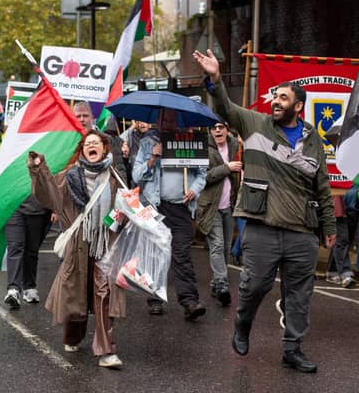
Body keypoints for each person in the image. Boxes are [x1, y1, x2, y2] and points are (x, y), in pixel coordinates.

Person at [194, 48, 336, 374]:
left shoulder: (313, 139)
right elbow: (225, 109)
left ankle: (293, 349)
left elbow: (322, 186)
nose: (275, 101)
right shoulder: (255, 123)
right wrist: (215, 78)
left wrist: (328, 225)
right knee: (255, 285)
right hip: (262, 226)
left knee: (299, 296)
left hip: (302, 231)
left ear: (298, 106)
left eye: (283, 98)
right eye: (274, 96)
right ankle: (243, 324)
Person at [28, 131, 126, 369]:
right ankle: (73, 336)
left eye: (96, 143)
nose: (92, 146)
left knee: (104, 294)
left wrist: (125, 208)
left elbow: (120, 212)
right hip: (78, 245)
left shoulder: (114, 177)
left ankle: (106, 351)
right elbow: (49, 196)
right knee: (77, 296)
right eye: (87, 144)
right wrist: (39, 169)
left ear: (104, 148)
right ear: (82, 150)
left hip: (106, 245)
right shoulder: (69, 176)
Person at [132, 109, 207, 319]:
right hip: (155, 207)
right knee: (155, 253)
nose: (168, 122)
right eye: (164, 118)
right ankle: (154, 298)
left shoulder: (189, 142)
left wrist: (195, 188)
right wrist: (153, 158)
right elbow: (136, 175)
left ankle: (190, 302)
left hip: (181, 208)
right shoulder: (147, 143)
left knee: (182, 255)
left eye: (172, 118)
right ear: (158, 120)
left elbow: (202, 173)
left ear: (177, 120)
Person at [196, 121, 242, 306]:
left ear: (227, 129)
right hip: (210, 206)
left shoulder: (233, 145)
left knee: (224, 249)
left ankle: (216, 283)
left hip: (228, 206)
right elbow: (203, 178)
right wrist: (227, 168)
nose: (217, 131)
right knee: (217, 244)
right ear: (209, 131)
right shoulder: (203, 148)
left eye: (221, 127)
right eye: (214, 128)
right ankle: (222, 284)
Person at [3, 195, 52, 309]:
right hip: (13, 207)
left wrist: (55, 209)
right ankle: (13, 289)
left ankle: (29, 287)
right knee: (15, 247)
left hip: (39, 209)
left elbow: (52, 180)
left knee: (31, 250)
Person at [72, 101, 128, 186]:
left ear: (92, 117)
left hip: (104, 189)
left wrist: (122, 191)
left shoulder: (107, 139)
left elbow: (119, 168)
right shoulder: (70, 142)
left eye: (85, 116)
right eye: (78, 116)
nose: (82, 119)